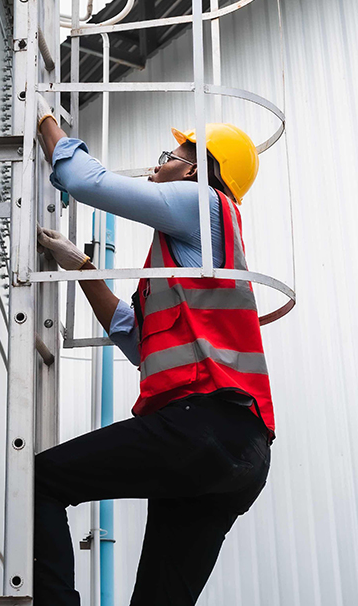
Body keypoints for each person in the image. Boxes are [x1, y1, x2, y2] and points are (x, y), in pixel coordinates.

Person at [33, 94, 274, 606]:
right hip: (242, 454)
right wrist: (79, 267)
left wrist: (45, 124)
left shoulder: (202, 202)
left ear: (197, 169)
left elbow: (85, 181)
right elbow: (134, 336)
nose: (159, 164)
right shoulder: (189, 257)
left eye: (171, 156)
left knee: (39, 483)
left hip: (202, 426)